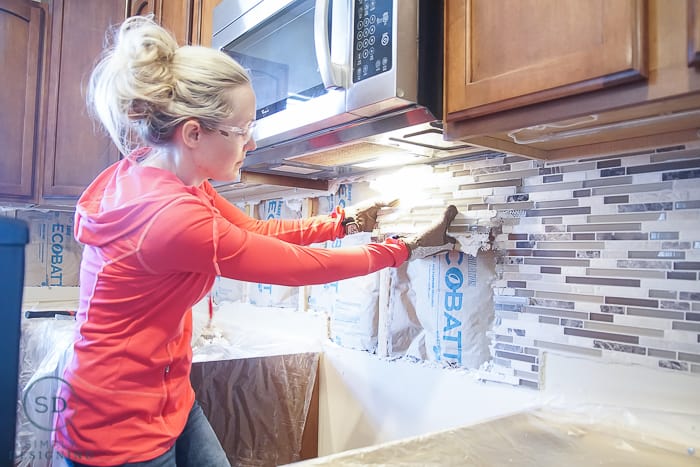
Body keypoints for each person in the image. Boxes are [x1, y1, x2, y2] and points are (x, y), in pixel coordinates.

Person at [53, 15, 458, 467]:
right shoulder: (170, 218)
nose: (251, 141)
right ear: (193, 133)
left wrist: (342, 222)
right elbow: (296, 267)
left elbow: (256, 233)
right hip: (116, 423)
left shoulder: (172, 180)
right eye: (242, 129)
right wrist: (398, 249)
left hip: (166, 395)